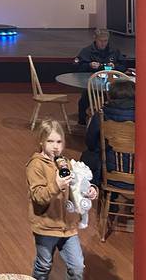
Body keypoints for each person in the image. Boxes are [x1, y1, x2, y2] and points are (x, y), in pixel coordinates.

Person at [26, 119, 98, 280]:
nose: (55, 146)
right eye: (50, 141)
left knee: (77, 266)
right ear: (41, 141)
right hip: (46, 226)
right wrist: (56, 185)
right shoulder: (35, 165)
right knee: (44, 265)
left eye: (59, 141)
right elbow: (38, 196)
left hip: (68, 226)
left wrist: (90, 190)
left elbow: (76, 187)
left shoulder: (64, 163)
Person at [80, 79, 135, 186]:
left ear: (111, 94)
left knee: (88, 155)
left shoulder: (102, 114)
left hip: (108, 174)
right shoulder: (143, 116)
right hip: (141, 174)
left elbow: (90, 142)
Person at [74, 28, 125, 125]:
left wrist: (115, 66)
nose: (103, 43)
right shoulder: (87, 51)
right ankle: (82, 122)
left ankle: (113, 121)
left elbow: (123, 66)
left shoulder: (114, 51)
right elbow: (77, 67)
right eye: (100, 41)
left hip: (111, 85)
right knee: (85, 99)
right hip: (92, 84)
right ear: (95, 39)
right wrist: (89, 65)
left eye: (105, 41)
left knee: (118, 97)